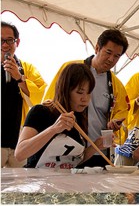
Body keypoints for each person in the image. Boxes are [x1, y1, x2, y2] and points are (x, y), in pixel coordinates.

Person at [43, 29, 130, 167]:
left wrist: (115, 122)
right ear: (97, 48)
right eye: (108, 52)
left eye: (117, 56)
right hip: (67, 149)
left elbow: (123, 112)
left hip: (99, 151)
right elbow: (50, 102)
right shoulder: (71, 69)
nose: (111, 59)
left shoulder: (116, 84)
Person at [14, 63, 110, 168]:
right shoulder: (41, 112)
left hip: (64, 182)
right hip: (37, 181)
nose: (85, 99)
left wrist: (96, 146)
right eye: (79, 92)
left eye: (89, 93)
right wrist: (54, 129)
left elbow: (72, 161)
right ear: (65, 89)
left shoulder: (78, 117)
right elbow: (20, 154)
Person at [1, 21, 47, 168]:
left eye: (9, 40)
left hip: (19, 141)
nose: (4, 45)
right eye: (1, 40)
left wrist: (19, 78)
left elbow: (41, 97)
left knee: (19, 187)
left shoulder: (27, 69)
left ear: (17, 42)